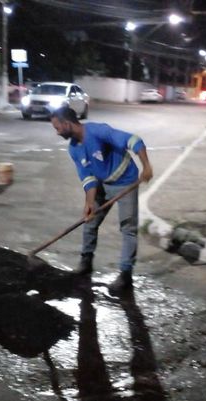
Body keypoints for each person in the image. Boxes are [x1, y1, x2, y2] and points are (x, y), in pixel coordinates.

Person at [50, 107, 153, 295]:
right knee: (89, 223)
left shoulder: (98, 131)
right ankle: (86, 262)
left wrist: (146, 166)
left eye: (57, 128)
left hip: (125, 182)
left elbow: (135, 141)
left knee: (128, 229)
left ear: (67, 123)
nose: (57, 132)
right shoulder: (73, 149)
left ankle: (125, 274)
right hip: (102, 185)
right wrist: (89, 203)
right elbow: (87, 178)